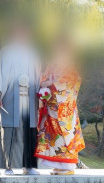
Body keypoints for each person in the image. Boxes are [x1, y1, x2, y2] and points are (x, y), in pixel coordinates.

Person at [0, 23, 41, 175]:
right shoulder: (6, 52)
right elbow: (0, 75)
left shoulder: (33, 53)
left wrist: (40, 95)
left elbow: (39, 75)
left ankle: (29, 166)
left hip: (30, 95)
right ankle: (7, 166)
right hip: (10, 96)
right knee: (9, 131)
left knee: (29, 130)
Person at [34, 37, 85, 175]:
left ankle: (67, 166)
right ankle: (58, 165)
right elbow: (44, 78)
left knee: (64, 135)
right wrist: (44, 84)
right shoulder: (52, 62)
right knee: (53, 135)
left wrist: (52, 85)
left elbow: (73, 82)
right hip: (51, 104)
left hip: (63, 106)